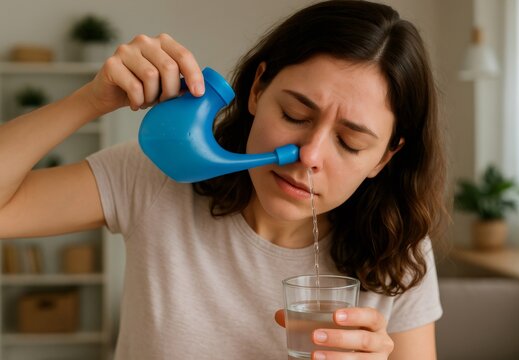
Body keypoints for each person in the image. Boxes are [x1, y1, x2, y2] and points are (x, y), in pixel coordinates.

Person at [0, 0, 448, 359]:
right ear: (257, 89)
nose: (307, 155)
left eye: (350, 143)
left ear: (384, 158)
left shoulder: (399, 247)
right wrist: (90, 101)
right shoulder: (159, 178)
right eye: (294, 114)